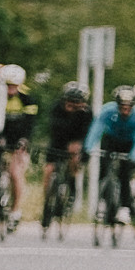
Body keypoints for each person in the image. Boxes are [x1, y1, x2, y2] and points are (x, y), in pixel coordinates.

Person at [41, 81, 89, 238]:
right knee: (48, 170)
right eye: (69, 100)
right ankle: (47, 203)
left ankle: (72, 185)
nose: (72, 104)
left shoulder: (87, 113)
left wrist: (81, 149)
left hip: (76, 143)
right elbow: (53, 128)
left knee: (74, 154)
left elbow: (87, 134)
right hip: (58, 141)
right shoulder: (57, 107)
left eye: (76, 102)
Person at [88, 86, 135, 228]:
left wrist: (134, 156)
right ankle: (103, 202)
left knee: (124, 175)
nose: (125, 110)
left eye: (128, 107)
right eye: (122, 106)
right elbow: (96, 128)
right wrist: (88, 148)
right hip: (111, 141)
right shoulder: (108, 110)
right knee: (104, 170)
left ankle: (124, 208)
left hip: (129, 143)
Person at [0, 65, 35, 223]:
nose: (10, 89)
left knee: (15, 173)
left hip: (18, 140)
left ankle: (15, 210)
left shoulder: (27, 98)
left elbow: (30, 124)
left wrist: (24, 140)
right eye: (7, 85)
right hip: (0, 137)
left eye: (13, 85)